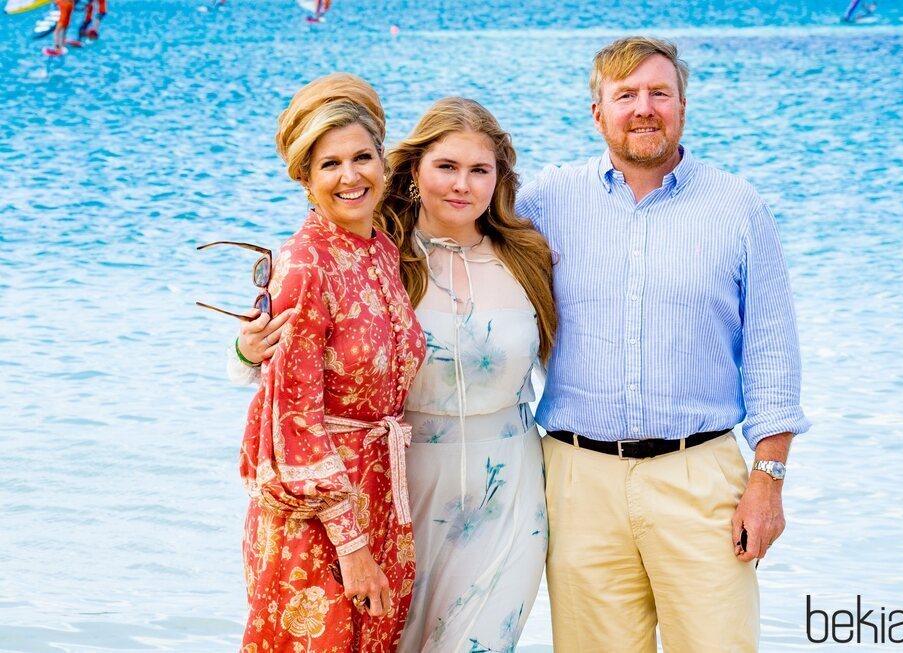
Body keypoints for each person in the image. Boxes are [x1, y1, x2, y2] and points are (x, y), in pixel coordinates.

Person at [514, 36, 810, 652]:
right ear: (598, 113)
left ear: (682, 105)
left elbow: (772, 351)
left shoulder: (738, 206)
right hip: (577, 481)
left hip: (702, 478)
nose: (643, 108)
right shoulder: (546, 201)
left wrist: (769, 481)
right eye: (625, 95)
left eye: (659, 92)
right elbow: (460, 263)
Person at [236, 97, 557, 652]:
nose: (462, 185)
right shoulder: (362, 249)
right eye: (446, 167)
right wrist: (244, 353)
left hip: (461, 490)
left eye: (479, 170)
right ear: (413, 169)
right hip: (380, 490)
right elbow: (294, 393)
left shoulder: (380, 251)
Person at [236, 72, 425, 652]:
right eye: (329, 164)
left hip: (382, 501)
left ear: (383, 163)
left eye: (362, 157)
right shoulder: (303, 264)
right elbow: (296, 422)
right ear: (305, 178)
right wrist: (353, 548)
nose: (350, 176)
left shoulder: (382, 249)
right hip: (315, 523)